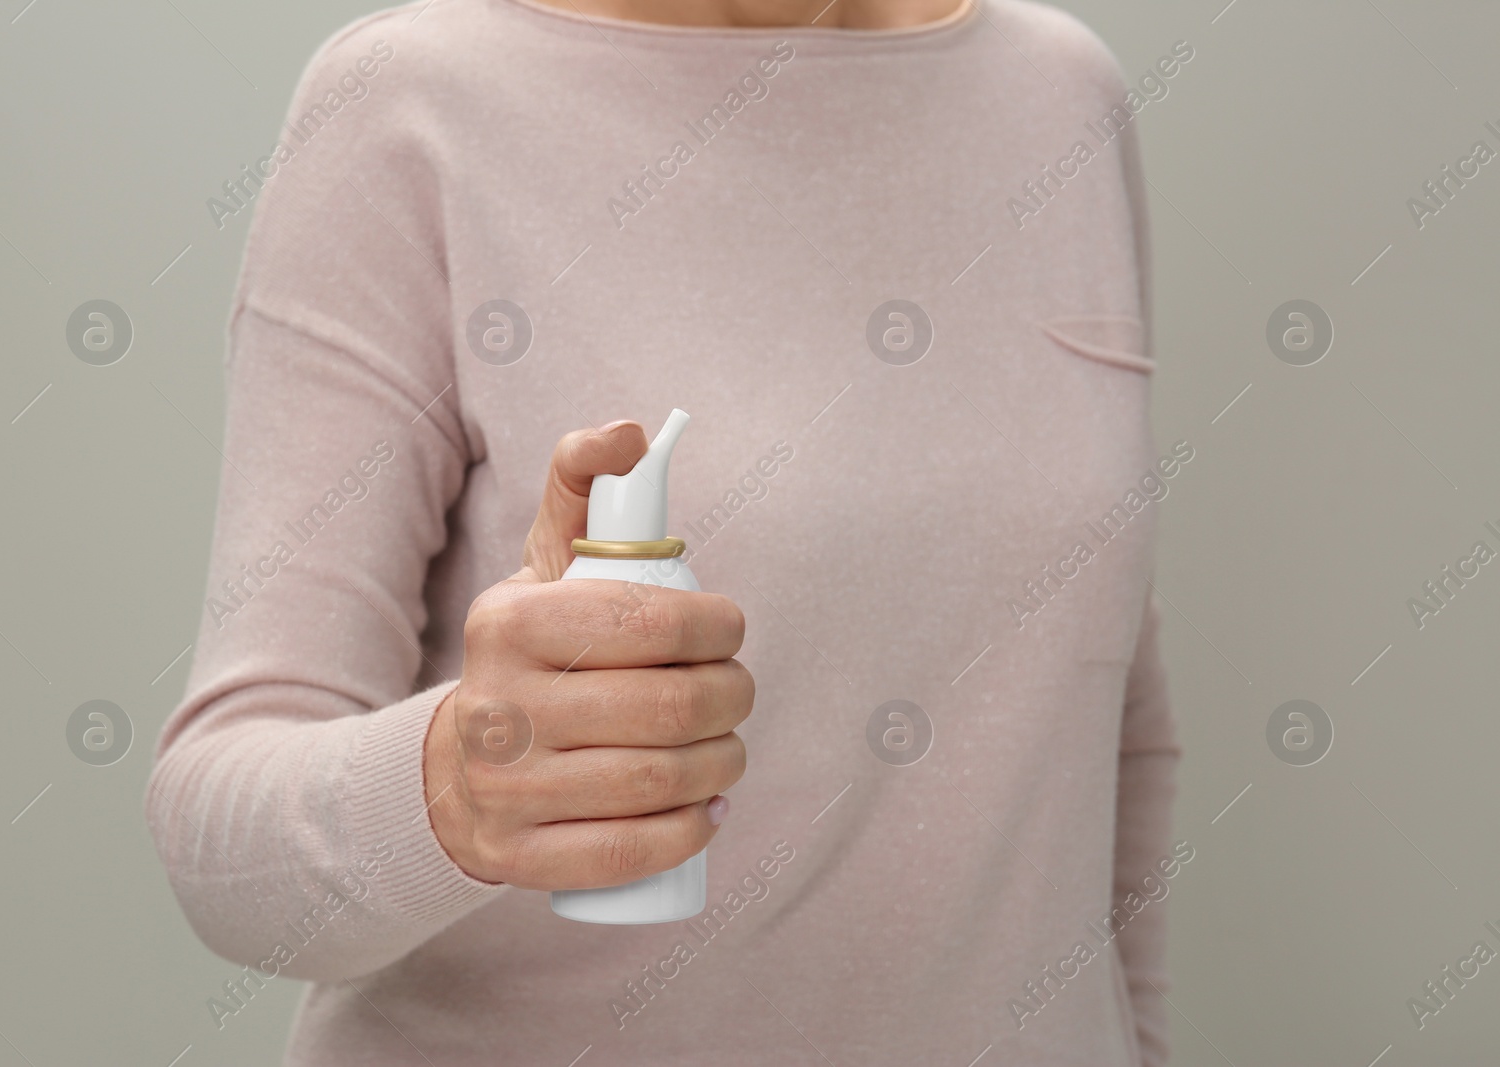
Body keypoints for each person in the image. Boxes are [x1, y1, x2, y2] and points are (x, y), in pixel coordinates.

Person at [147, 0, 1182, 1062]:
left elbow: (1104, 728)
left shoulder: (1060, 94)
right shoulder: (408, 107)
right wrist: (456, 784)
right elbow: (218, 839)